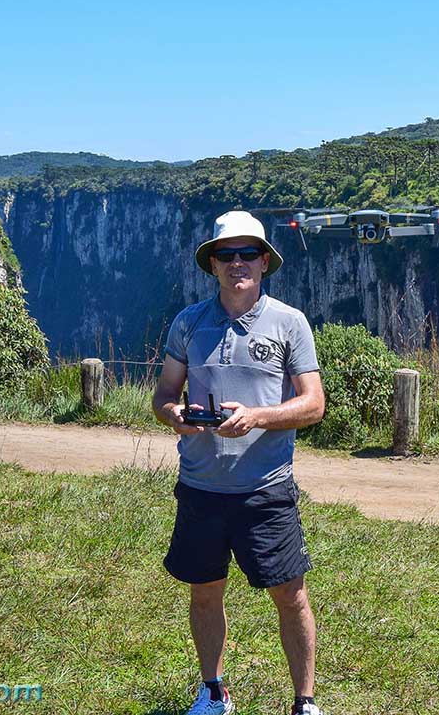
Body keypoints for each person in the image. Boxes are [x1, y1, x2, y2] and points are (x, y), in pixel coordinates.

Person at [152, 210, 327, 715]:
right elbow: (163, 394)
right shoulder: (189, 323)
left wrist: (258, 417)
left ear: (265, 262)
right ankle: (212, 691)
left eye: (247, 253)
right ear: (213, 265)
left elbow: (313, 404)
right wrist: (176, 415)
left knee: (291, 595)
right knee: (204, 593)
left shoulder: (290, 323)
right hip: (201, 487)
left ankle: (305, 701)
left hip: (265, 489)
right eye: (225, 255)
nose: (236, 263)